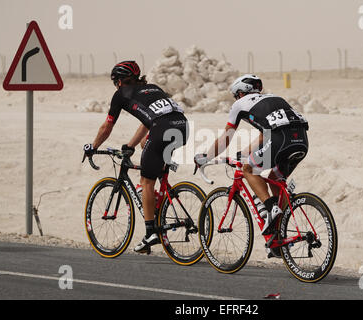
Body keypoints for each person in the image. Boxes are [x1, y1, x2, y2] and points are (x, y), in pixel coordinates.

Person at [83, 61, 188, 253]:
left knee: (146, 181)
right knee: (144, 145)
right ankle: (158, 201)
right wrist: (130, 146)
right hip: (182, 126)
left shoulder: (120, 95)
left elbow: (107, 126)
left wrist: (93, 147)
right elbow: (148, 120)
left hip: (162, 129)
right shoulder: (153, 87)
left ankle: (150, 233)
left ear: (120, 82)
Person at [194, 74, 308, 237]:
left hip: (280, 141)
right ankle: (279, 233)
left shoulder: (240, 104)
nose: (236, 99)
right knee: (275, 179)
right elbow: (265, 135)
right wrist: (244, 152)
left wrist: (206, 157)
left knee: (248, 169)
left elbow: (226, 137)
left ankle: (270, 208)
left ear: (240, 93)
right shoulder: (275, 98)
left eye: (236, 96)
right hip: (301, 141)